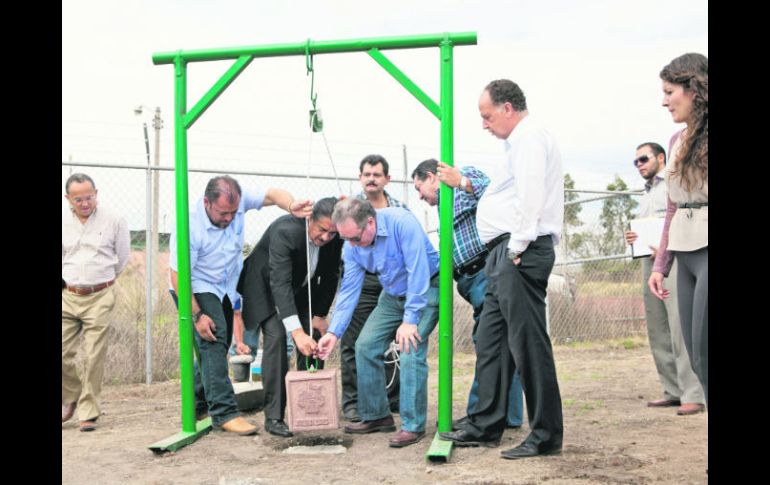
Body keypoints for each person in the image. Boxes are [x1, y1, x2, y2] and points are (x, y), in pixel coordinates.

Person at [440, 79, 564, 460]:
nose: (484, 123)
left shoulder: (529, 137)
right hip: (504, 253)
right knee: (492, 341)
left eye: (487, 115)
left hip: (518, 251)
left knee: (528, 343)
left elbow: (531, 193)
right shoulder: (517, 143)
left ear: (508, 108)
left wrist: (517, 245)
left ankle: (545, 434)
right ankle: (485, 422)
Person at [169, 175, 312, 436]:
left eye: (233, 213)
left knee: (217, 346)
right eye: (223, 213)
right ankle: (223, 413)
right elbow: (179, 276)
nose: (228, 219)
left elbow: (272, 193)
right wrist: (198, 314)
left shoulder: (239, 198)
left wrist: (291, 206)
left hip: (224, 284)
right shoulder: (189, 224)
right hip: (195, 286)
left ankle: (196, 402)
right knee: (213, 338)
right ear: (206, 203)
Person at [317, 198, 440, 448]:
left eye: (355, 238)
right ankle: (377, 416)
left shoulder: (402, 223)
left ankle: (412, 425)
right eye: (346, 239)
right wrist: (333, 332)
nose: (351, 245)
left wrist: (410, 320)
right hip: (392, 294)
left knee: (409, 349)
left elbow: (418, 272)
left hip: (426, 290)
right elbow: (349, 290)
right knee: (365, 345)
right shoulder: (351, 245)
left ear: (370, 222)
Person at [411, 158, 524, 429]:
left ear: (432, 177)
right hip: (469, 280)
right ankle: (508, 415)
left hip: (485, 272)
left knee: (488, 341)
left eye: (419, 188)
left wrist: (461, 181)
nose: (419, 196)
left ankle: (480, 414)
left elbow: (492, 192)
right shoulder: (442, 206)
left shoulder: (462, 177)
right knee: (501, 343)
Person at [237, 197, 343, 437]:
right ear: (309, 219)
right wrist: (296, 333)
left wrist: (318, 315)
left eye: (332, 233)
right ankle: (274, 416)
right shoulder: (286, 232)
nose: (326, 237)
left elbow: (330, 276)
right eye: (322, 230)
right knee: (276, 337)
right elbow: (279, 284)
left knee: (314, 335)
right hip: (265, 286)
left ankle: (309, 408)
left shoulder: (335, 236)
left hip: (299, 287)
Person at [625, 143, 705, 415]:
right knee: (658, 326)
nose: (639, 165)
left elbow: (673, 220)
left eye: (643, 159)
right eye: (635, 161)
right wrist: (634, 238)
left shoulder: (672, 185)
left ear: (661, 157)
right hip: (649, 263)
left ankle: (693, 393)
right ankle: (672, 389)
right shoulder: (646, 193)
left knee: (680, 325)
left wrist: (666, 248)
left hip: (672, 260)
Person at [649, 53, 708, 409]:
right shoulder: (675, 141)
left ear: (694, 90)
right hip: (684, 254)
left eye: (671, 91)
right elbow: (672, 207)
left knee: (705, 348)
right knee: (698, 359)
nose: (664, 100)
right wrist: (661, 266)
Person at [62, 173, 130, 432]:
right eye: (78, 199)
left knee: (93, 355)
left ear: (96, 194)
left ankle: (88, 411)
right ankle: (70, 397)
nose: (85, 202)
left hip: (100, 295)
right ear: (69, 198)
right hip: (68, 295)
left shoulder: (114, 220)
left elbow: (122, 258)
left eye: (89, 197)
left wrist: (101, 281)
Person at [340, 154, 404, 422]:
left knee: (392, 342)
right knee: (353, 340)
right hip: (362, 279)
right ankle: (354, 401)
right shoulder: (348, 207)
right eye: (367, 174)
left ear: (387, 179)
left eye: (377, 175)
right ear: (360, 177)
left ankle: (391, 398)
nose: (371, 179)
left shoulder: (400, 209)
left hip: (392, 280)